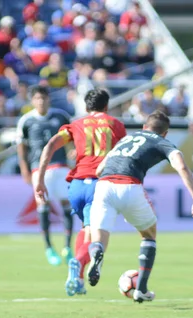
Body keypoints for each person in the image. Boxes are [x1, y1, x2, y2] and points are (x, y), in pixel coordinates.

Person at [89, 110, 193, 302]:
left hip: (103, 186)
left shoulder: (126, 139)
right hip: (129, 186)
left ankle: (97, 253)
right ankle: (141, 289)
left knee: (99, 238)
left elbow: (99, 169)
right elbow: (181, 166)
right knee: (149, 234)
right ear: (165, 132)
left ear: (144, 127)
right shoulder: (162, 141)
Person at [34, 88, 127, 296]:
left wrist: (39, 180)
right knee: (98, 236)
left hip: (76, 185)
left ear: (86, 107)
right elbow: (123, 156)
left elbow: (50, 146)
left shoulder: (75, 125)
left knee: (85, 229)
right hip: (99, 184)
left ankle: (78, 278)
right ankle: (78, 263)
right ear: (106, 106)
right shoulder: (116, 124)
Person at [16, 86, 73, 266]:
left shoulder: (61, 116)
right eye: (38, 98)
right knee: (43, 205)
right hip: (39, 170)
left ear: (49, 99)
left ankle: (67, 247)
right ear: (33, 101)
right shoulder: (26, 121)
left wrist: (74, 153)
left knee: (66, 204)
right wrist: (24, 170)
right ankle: (49, 247)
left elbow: (73, 139)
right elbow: (21, 148)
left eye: (44, 98)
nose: (41, 101)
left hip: (62, 166)